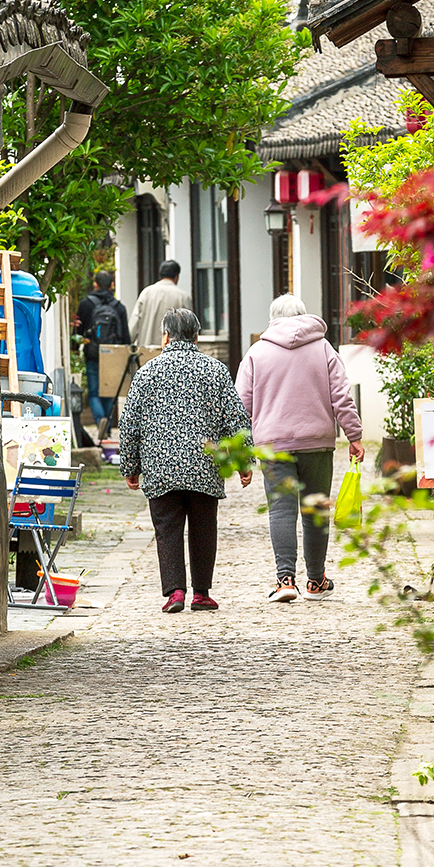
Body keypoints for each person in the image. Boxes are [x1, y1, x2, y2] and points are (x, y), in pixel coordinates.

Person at [118, 308, 252, 614]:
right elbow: (236, 418)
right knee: (204, 527)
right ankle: (201, 593)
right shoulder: (215, 371)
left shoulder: (146, 372)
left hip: (160, 467)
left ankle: (175, 591)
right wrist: (244, 462)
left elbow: (130, 423)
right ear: (197, 335)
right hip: (205, 466)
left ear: (165, 335)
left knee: (167, 528)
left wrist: (131, 466)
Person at [236, 294, 365, 602]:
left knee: (281, 510)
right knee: (315, 509)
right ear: (304, 316)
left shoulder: (257, 352)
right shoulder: (324, 350)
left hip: (272, 445)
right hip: (316, 443)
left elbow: (241, 405)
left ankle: (285, 582)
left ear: (273, 318)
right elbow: (342, 398)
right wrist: (354, 435)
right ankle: (317, 581)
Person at [74, 268, 130, 439]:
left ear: (95, 284)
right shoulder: (119, 307)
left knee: (94, 391)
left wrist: (75, 349)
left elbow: (79, 331)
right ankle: (106, 427)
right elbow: (126, 336)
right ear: (112, 285)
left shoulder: (86, 304)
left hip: (93, 353)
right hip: (113, 355)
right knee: (109, 391)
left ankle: (100, 421)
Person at [130, 258, 191, 351]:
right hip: (174, 353)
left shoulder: (146, 293)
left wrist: (129, 343)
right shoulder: (183, 297)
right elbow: (189, 328)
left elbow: (134, 323)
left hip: (146, 351)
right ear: (176, 276)